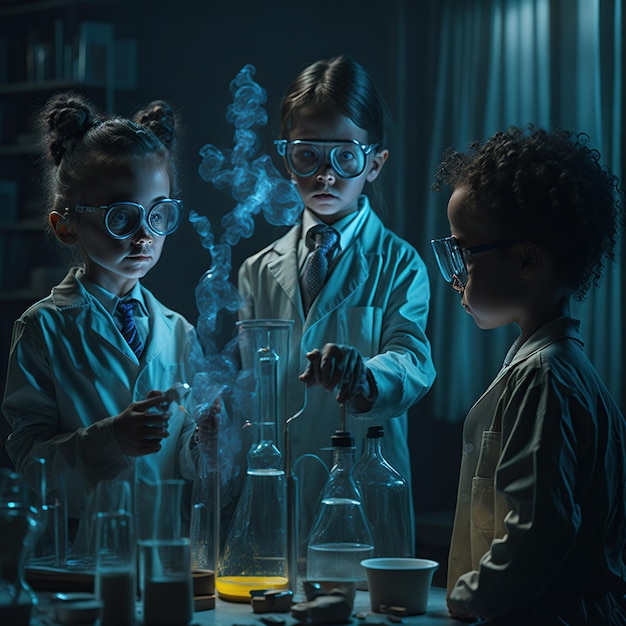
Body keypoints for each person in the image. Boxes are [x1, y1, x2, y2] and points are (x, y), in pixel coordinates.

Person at [238, 56, 436, 549]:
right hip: (276, 495)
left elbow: (412, 361)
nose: (325, 175)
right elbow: (250, 391)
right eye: (308, 155)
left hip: (367, 492)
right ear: (286, 158)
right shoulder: (256, 270)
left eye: (344, 157)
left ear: (374, 163)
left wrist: (365, 374)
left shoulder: (399, 263)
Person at [431, 125, 626, 624]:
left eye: (464, 254)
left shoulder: (545, 379)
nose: (455, 277)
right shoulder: (556, 368)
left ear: (526, 260)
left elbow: (540, 530)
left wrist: (467, 599)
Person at [2, 92, 210, 535]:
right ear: (66, 224)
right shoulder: (44, 328)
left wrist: (205, 441)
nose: (144, 236)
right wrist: (110, 440)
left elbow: (183, 459)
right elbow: (28, 465)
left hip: (160, 553)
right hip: (77, 560)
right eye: (121, 217)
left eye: (159, 215)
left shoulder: (178, 331)